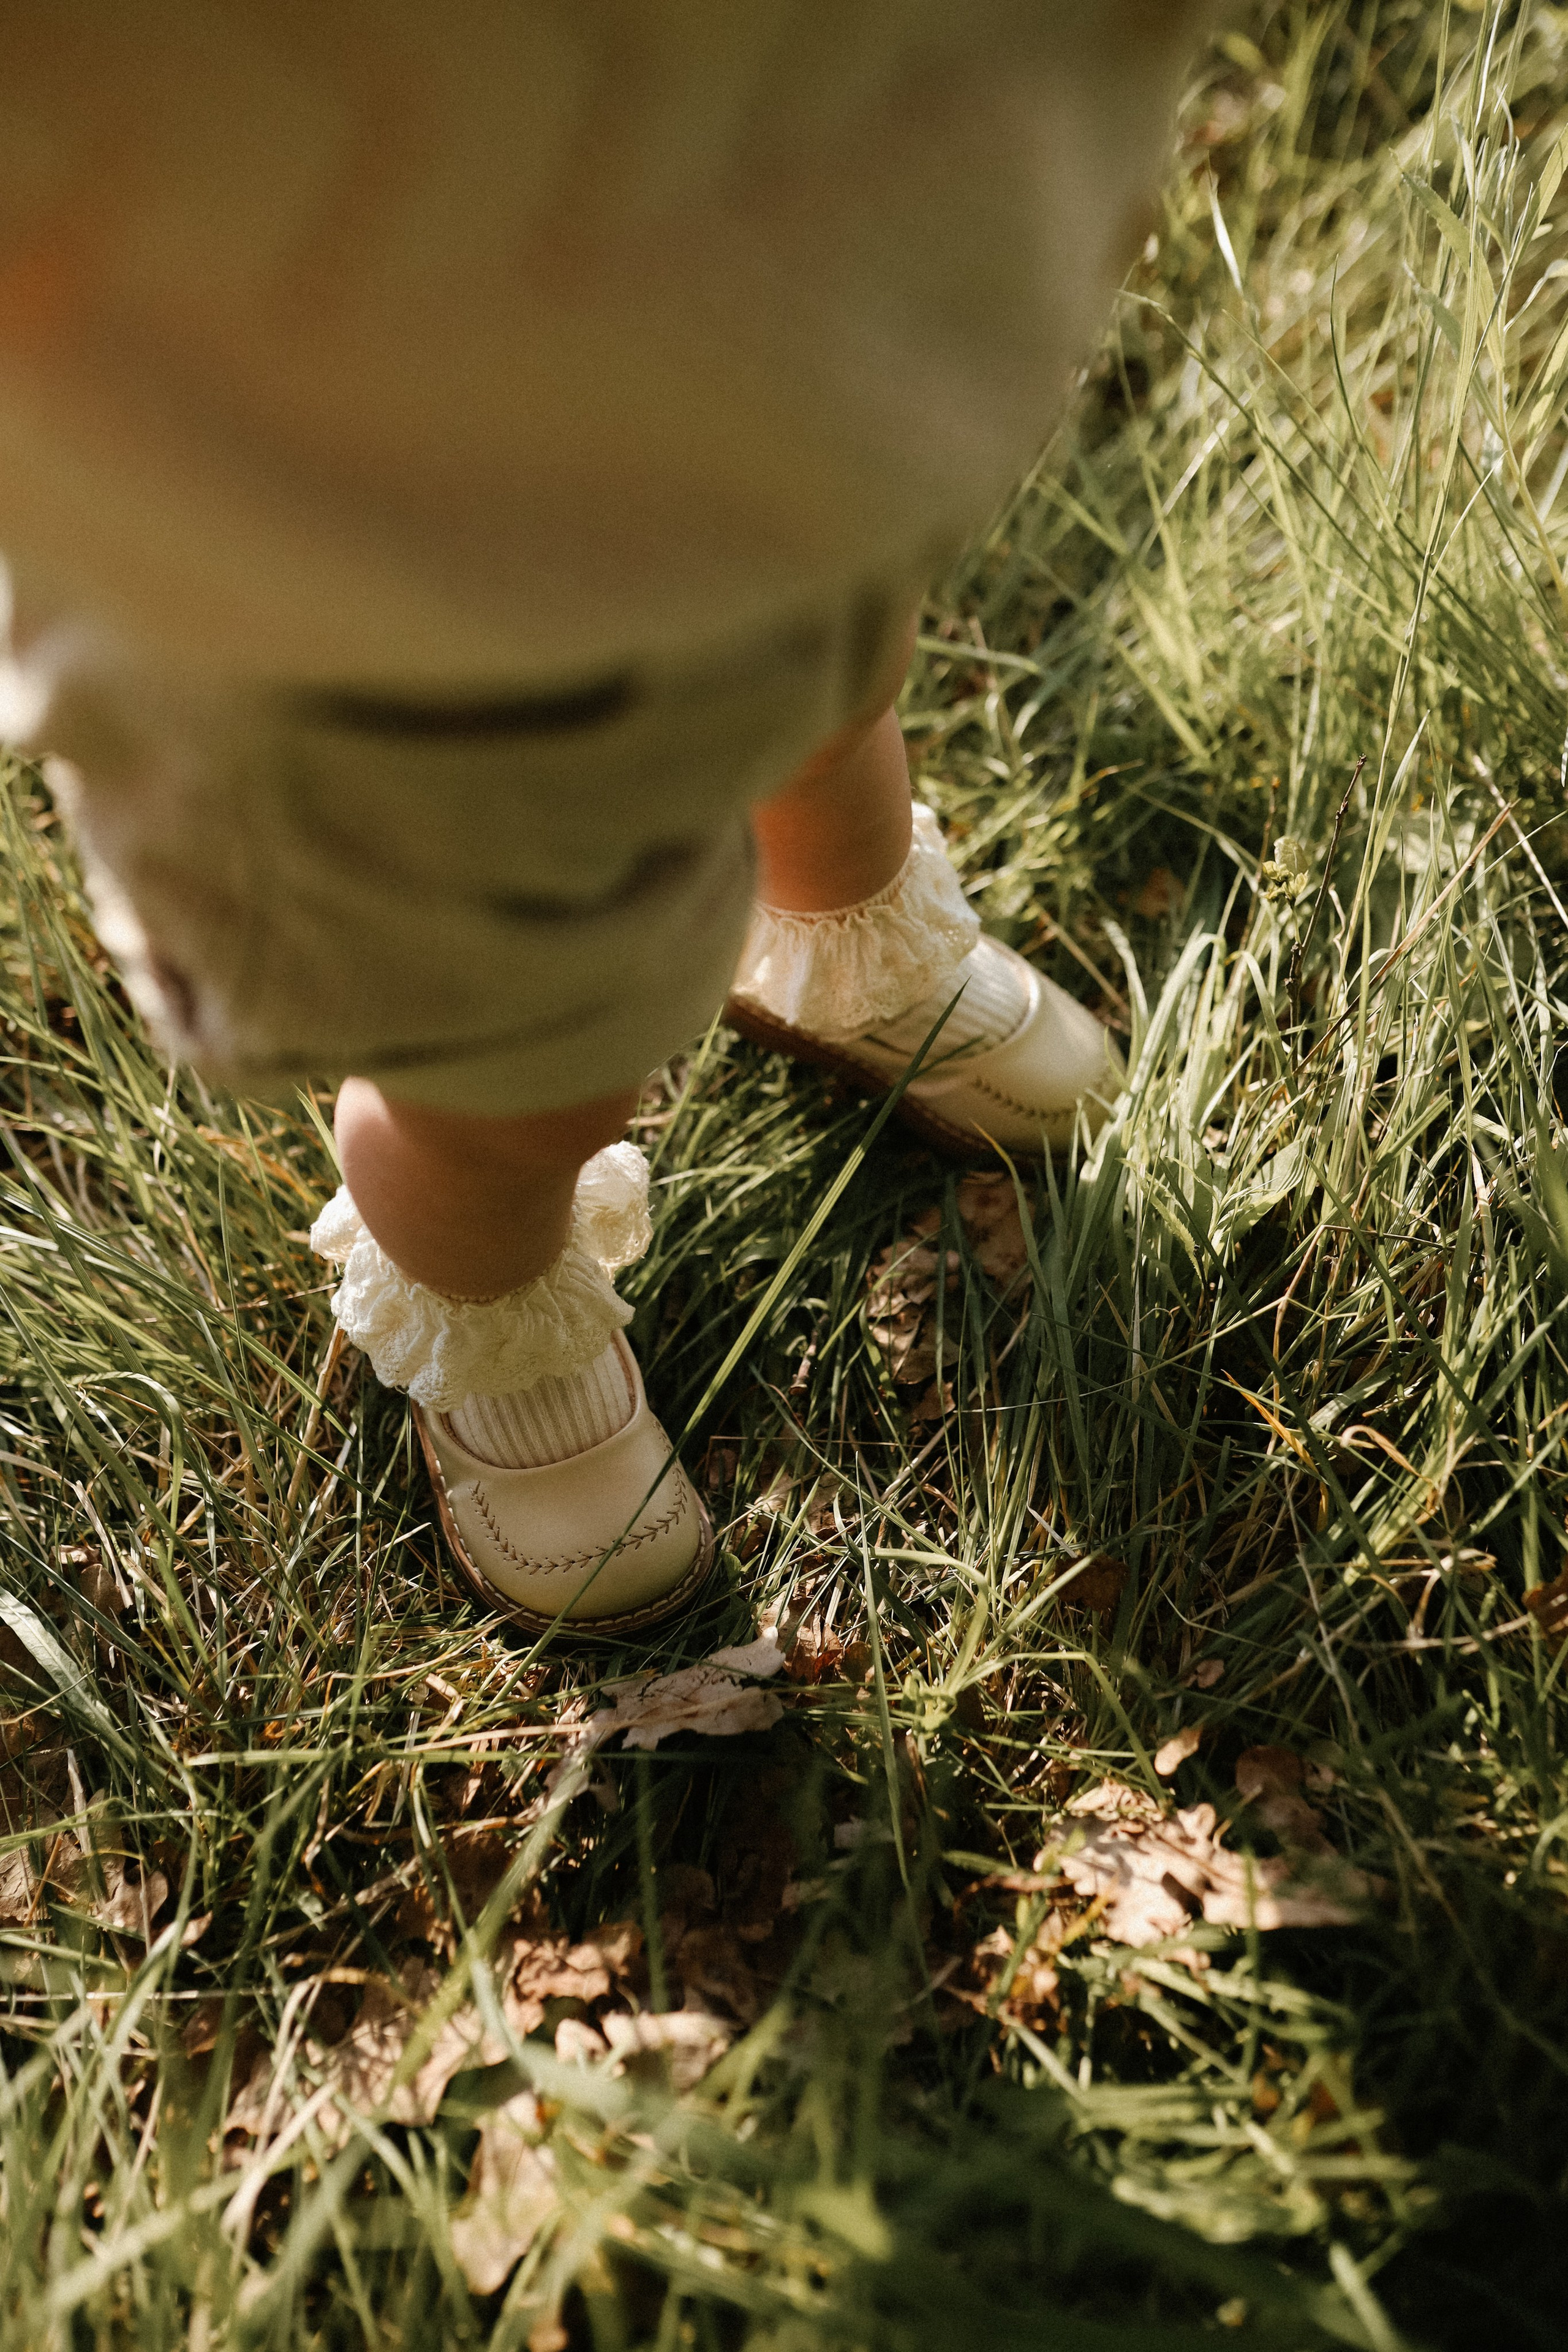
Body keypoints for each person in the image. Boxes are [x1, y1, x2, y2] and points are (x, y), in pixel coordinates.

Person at [0, 1, 1213, 1634]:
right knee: (502, 1027)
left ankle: (841, 935)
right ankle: (479, 1269)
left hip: (799, 287)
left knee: (833, 674)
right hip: (353, 516)